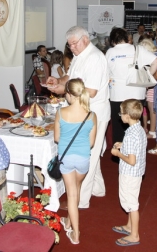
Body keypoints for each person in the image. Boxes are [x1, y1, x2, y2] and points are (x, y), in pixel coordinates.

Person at [46, 26, 110, 210]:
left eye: (74, 44)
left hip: (93, 113)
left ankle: (80, 200)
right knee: (92, 153)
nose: (71, 47)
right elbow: (70, 77)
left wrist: (64, 90)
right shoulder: (79, 55)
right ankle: (98, 188)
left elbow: (91, 91)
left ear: (85, 40)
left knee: (86, 155)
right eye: (69, 45)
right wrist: (58, 81)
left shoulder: (95, 57)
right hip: (81, 110)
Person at [55, 79, 97, 245]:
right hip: (83, 158)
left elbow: (57, 138)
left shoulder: (61, 112)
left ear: (70, 94)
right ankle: (68, 221)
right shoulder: (92, 115)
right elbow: (91, 143)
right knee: (76, 189)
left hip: (66, 158)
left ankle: (76, 234)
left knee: (71, 194)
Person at [106, 27, 157, 146]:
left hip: (117, 93)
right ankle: (136, 150)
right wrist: (147, 78)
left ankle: (120, 151)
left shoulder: (110, 52)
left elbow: (105, 72)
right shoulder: (138, 49)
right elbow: (156, 61)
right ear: (127, 38)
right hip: (137, 92)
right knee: (135, 124)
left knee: (118, 126)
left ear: (113, 40)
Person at [110, 99, 146, 247]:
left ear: (127, 116)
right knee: (132, 200)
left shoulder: (130, 135)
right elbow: (137, 146)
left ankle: (134, 235)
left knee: (132, 204)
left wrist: (118, 153)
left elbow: (131, 160)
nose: (120, 116)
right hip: (137, 173)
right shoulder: (139, 129)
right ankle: (130, 226)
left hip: (129, 174)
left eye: (121, 114)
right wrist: (124, 145)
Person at [138, 38, 157, 139]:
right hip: (155, 87)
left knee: (152, 109)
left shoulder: (150, 60)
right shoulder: (155, 57)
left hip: (152, 87)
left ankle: (152, 132)